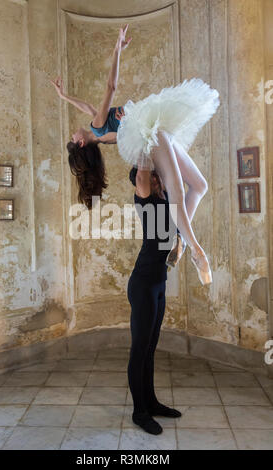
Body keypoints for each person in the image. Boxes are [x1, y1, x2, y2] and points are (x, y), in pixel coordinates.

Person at [51, 24, 220, 284]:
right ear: (82, 144)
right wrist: (117, 49)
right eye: (72, 140)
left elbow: (87, 106)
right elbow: (111, 86)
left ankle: (181, 240)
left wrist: (64, 97)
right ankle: (196, 250)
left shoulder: (99, 131)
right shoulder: (97, 126)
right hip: (148, 134)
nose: (72, 135)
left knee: (199, 185)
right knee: (177, 190)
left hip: (151, 132)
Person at [127, 166, 182, 435]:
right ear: (143, 183)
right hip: (143, 285)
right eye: (152, 178)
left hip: (159, 283)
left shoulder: (165, 199)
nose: (157, 179)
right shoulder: (144, 199)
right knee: (139, 350)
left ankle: (151, 403)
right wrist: (143, 137)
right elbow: (143, 174)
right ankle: (139, 412)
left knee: (150, 349)